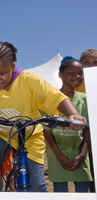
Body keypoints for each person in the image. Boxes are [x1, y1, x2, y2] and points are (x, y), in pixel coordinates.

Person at [0, 40, 87, 192]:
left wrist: (74, 115)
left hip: (30, 134)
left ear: (12, 66)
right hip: (0, 132)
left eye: (2, 73)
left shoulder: (29, 80)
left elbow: (57, 97)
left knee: (37, 185)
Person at [42, 57, 91, 192]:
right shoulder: (50, 99)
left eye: (80, 73)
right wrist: (59, 155)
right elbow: (47, 131)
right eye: (71, 73)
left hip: (80, 157)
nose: (77, 76)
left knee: (83, 192)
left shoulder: (85, 99)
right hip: (57, 157)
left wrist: (82, 155)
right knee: (60, 192)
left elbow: (87, 130)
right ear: (60, 75)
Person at [76, 48, 97, 192]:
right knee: (87, 183)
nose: (91, 66)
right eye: (87, 63)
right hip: (83, 141)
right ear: (81, 65)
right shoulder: (75, 84)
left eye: (95, 62)